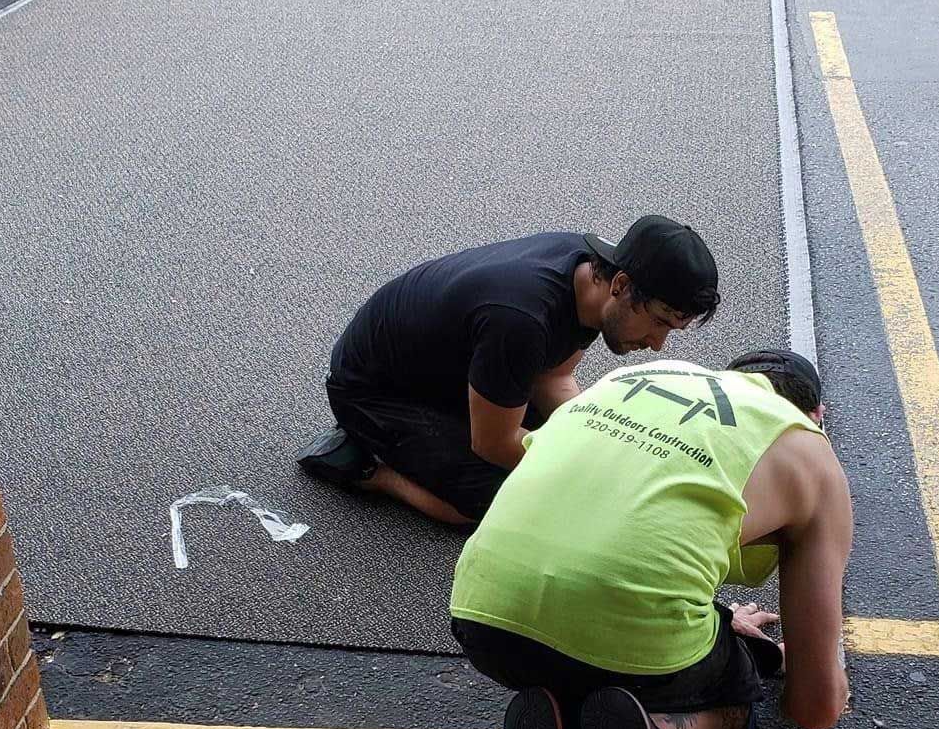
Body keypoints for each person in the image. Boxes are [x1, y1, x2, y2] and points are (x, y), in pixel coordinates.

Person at [449, 348, 853, 729]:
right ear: (816, 417)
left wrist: (716, 613)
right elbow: (815, 708)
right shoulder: (809, 452)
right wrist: (776, 660)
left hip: (483, 620)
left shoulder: (632, 379)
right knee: (744, 687)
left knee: (598, 648)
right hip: (638, 640)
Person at [298, 218, 721, 528]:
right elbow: (493, 444)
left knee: (568, 439)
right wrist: (592, 478)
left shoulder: (589, 280)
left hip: (450, 368)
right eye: (660, 322)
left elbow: (552, 377)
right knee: (499, 503)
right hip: (373, 392)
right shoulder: (522, 320)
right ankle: (370, 470)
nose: (658, 344)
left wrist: (606, 441)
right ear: (622, 284)